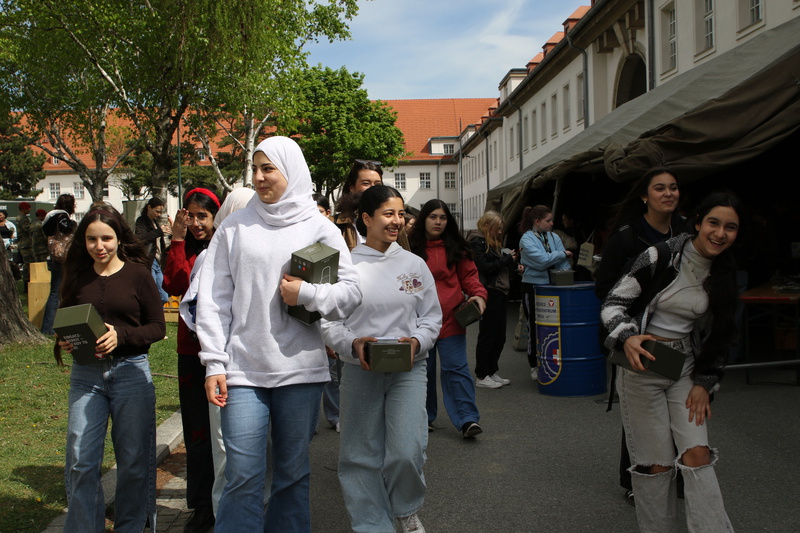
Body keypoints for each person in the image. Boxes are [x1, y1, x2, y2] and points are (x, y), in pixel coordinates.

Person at [196, 136, 361, 533]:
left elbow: (351, 294)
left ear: (290, 170)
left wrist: (306, 293)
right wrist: (214, 362)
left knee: (291, 475)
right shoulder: (234, 227)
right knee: (243, 475)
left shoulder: (319, 227)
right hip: (242, 370)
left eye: (268, 168)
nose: (258, 177)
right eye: (255, 169)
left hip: (301, 372)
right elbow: (214, 299)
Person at [601, 191, 741, 533]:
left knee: (697, 456)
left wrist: (705, 383)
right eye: (713, 223)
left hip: (684, 368)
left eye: (731, 227)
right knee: (656, 467)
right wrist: (627, 335)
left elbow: (720, 336)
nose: (720, 233)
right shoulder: (659, 255)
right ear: (697, 223)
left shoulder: (725, 273)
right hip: (641, 366)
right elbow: (613, 303)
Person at [322, 185, 442, 533]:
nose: (397, 221)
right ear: (366, 218)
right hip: (361, 369)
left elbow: (432, 317)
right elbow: (330, 322)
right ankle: (372, 524)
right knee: (360, 455)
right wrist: (352, 344)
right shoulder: (347, 266)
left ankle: (405, 509)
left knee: (408, 450)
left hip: (409, 367)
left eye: (400, 214)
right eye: (389, 214)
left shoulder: (414, 264)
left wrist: (417, 342)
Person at [56, 207, 165, 532]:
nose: (99, 246)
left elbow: (157, 327)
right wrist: (65, 342)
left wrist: (122, 335)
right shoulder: (77, 275)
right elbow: (65, 321)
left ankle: (130, 526)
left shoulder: (138, 274)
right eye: (91, 239)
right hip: (86, 377)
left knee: (132, 462)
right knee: (80, 459)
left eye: (106, 238)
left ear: (119, 238)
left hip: (131, 373)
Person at [594, 168, 687, 504]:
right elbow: (604, 288)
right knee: (640, 411)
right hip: (638, 335)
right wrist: (630, 321)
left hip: (678, 333)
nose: (668, 194)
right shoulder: (626, 237)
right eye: (659, 188)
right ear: (645, 197)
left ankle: (676, 473)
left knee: (677, 406)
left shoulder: (687, 231)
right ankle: (635, 477)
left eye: (673, 188)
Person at [163, 187, 221, 533]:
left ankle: (223, 498)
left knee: (222, 432)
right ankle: (201, 504)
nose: (197, 222)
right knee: (197, 430)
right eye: (191, 215)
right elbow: (175, 282)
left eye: (204, 216)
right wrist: (177, 242)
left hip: (222, 351)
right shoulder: (182, 246)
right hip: (191, 350)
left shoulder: (225, 246)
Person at [408, 199, 487, 438]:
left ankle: (467, 420)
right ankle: (424, 417)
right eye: (433, 216)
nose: (438, 222)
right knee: (424, 371)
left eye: (442, 217)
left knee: (457, 369)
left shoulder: (457, 248)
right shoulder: (409, 248)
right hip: (419, 323)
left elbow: (471, 278)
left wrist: (479, 296)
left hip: (452, 320)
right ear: (424, 219)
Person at [518, 205, 572, 381]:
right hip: (533, 287)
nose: (551, 223)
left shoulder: (553, 236)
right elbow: (542, 261)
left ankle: (555, 360)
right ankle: (534, 364)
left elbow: (563, 265)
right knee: (534, 326)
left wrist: (559, 259)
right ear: (537, 222)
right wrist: (561, 254)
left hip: (553, 287)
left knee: (555, 327)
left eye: (551, 220)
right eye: (548, 221)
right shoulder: (526, 240)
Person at [467, 211, 517, 389]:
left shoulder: (490, 241)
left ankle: (491, 371)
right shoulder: (477, 241)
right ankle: (482, 374)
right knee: (488, 334)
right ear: (487, 226)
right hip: (489, 291)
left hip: (499, 291)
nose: (501, 232)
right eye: (498, 228)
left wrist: (510, 262)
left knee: (499, 335)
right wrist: (506, 260)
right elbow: (484, 267)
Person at [41, 194, 77, 335]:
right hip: (63, 259)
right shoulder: (62, 216)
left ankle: (50, 326)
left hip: (54, 258)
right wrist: (74, 224)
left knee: (56, 292)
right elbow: (66, 228)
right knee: (58, 293)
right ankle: (49, 328)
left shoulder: (51, 216)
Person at [334, 159, 385, 249]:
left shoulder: (392, 222)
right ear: (352, 188)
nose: (372, 188)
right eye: (366, 183)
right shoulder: (335, 225)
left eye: (377, 184)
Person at [135, 197, 173, 305]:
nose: (159, 214)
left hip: (157, 261)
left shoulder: (154, 222)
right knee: (152, 294)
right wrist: (159, 231)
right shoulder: (142, 221)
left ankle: (155, 315)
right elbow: (140, 239)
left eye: (160, 212)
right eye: (157, 211)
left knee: (163, 296)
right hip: (149, 261)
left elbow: (160, 243)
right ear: (149, 208)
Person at [16, 201, 33, 283]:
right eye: (28, 208)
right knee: (28, 264)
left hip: (26, 243)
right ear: (23, 209)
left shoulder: (24, 217)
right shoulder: (22, 218)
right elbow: (27, 229)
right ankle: (27, 282)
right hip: (25, 244)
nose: (29, 210)